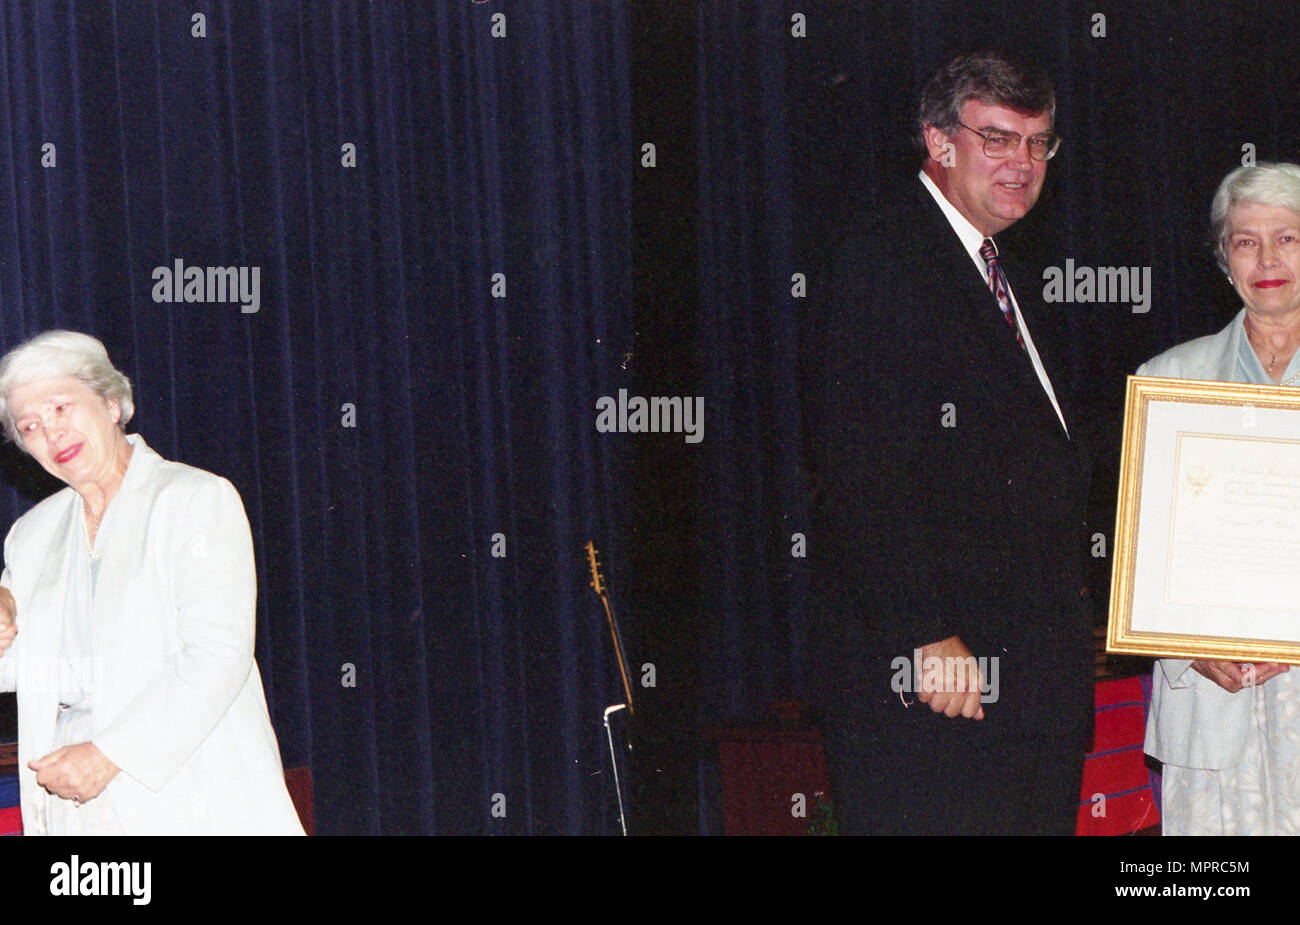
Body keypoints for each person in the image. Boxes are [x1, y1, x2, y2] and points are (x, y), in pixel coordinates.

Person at [802, 50, 1093, 834]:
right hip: (940, 686)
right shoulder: (885, 256)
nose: (1022, 163)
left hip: (1027, 688)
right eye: (997, 139)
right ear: (938, 141)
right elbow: (861, 465)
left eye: (1038, 144)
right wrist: (924, 630)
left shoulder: (1002, 270)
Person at [0, 330, 303, 834]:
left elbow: (216, 653)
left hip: (189, 786)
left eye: (61, 408)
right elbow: (22, 667)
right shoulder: (31, 535)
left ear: (112, 403)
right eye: (29, 426)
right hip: (75, 804)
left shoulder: (193, 499)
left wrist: (108, 755)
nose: (50, 434)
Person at [1141, 162, 1300, 835]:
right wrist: (1185, 643)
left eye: (1288, 237)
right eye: (1245, 241)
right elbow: (1144, 561)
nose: (1267, 259)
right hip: (1211, 704)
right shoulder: (1169, 378)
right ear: (1222, 255)